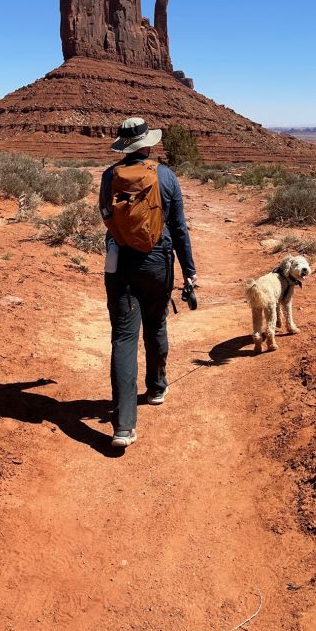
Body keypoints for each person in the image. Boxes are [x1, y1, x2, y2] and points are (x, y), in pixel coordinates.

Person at [99, 117, 197, 448]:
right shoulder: (166, 176)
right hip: (158, 263)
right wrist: (190, 270)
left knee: (124, 339)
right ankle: (156, 387)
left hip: (121, 264)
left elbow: (106, 217)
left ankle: (123, 426)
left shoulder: (109, 176)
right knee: (155, 325)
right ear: (148, 144)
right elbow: (180, 227)